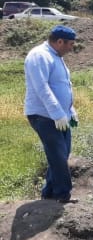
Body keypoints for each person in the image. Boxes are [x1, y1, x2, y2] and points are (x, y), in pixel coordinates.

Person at [24, 25, 78, 203]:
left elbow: (63, 86)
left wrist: (70, 111)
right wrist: (56, 113)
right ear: (59, 41)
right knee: (58, 154)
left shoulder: (56, 56)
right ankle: (62, 194)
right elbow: (42, 88)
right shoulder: (39, 55)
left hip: (60, 115)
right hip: (43, 115)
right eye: (70, 44)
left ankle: (49, 191)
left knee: (63, 152)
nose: (72, 48)